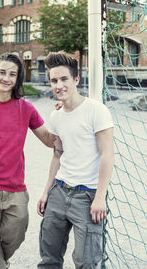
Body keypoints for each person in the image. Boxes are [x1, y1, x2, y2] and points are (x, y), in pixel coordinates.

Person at [0, 52, 54, 269]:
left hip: (15, 188)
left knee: (18, 231)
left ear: (18, 78)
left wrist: (66, 113)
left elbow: (49, 140)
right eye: (2, 72)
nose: (6, 78)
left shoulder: (26, 108)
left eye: (12, 74)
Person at [37, 52, 115, 269]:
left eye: (64, 79)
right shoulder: (56, 116)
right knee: (49, 259)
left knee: (85, 262)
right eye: (54, 80)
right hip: (59, 192)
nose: (59, 85)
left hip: (87, 197)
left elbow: (108, 155)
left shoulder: (96, 111)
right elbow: (57, 154)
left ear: (76, 80)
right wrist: (46, 191)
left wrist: (100, 197)